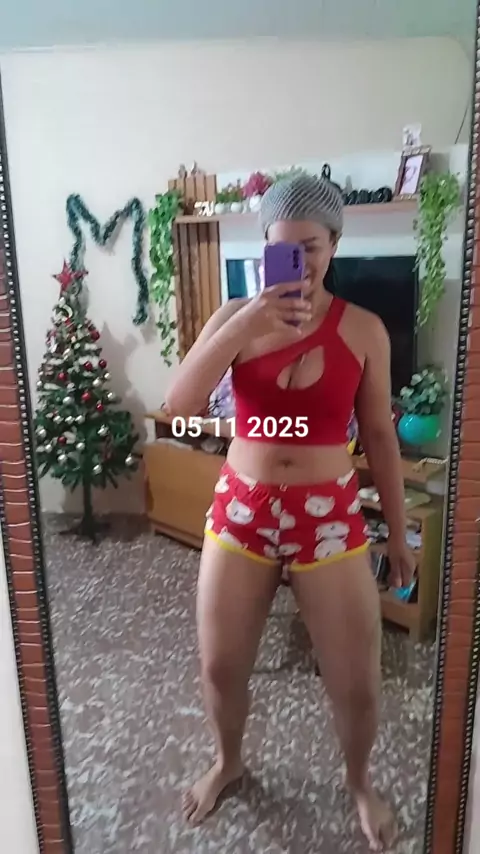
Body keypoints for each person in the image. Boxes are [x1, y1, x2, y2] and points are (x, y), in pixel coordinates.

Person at [165, 174, 415, 851]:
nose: (298, 264)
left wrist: (397, 535)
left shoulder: (363, 329)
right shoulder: (234, 316)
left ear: (335, 245)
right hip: (241, 510)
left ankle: (359, 783)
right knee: (220, 667)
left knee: (357, 682)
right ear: (264, 247)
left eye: (311, 248)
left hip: (328, 517)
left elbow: (381, 436)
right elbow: (179, 405)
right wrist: (245, 323)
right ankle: (228, 761)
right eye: (283, 249)